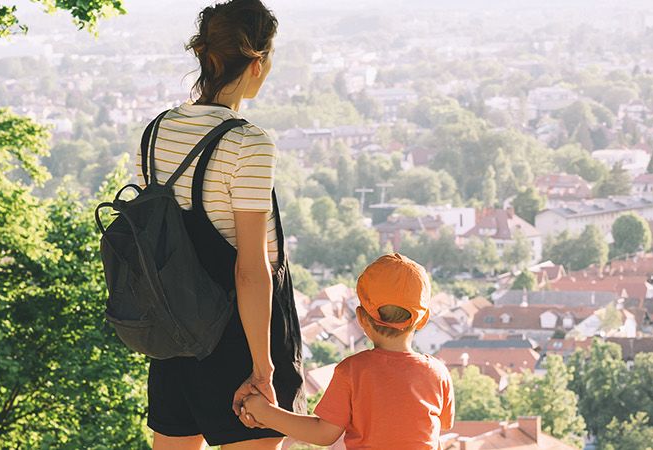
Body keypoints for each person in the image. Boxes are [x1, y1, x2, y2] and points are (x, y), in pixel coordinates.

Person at [143, 1, 301, 449]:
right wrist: (263, 367)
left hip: (175, 335)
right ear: (257, 61)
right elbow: (251, 269)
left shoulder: (156, 131)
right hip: (239, 334)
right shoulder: (248, 142)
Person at [237, 254, 455, 449]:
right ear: (423, 320)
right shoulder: (438, 373)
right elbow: (442, 425)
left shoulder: (352, 371)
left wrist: (264, 411)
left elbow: (324, 434)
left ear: (361, 318)